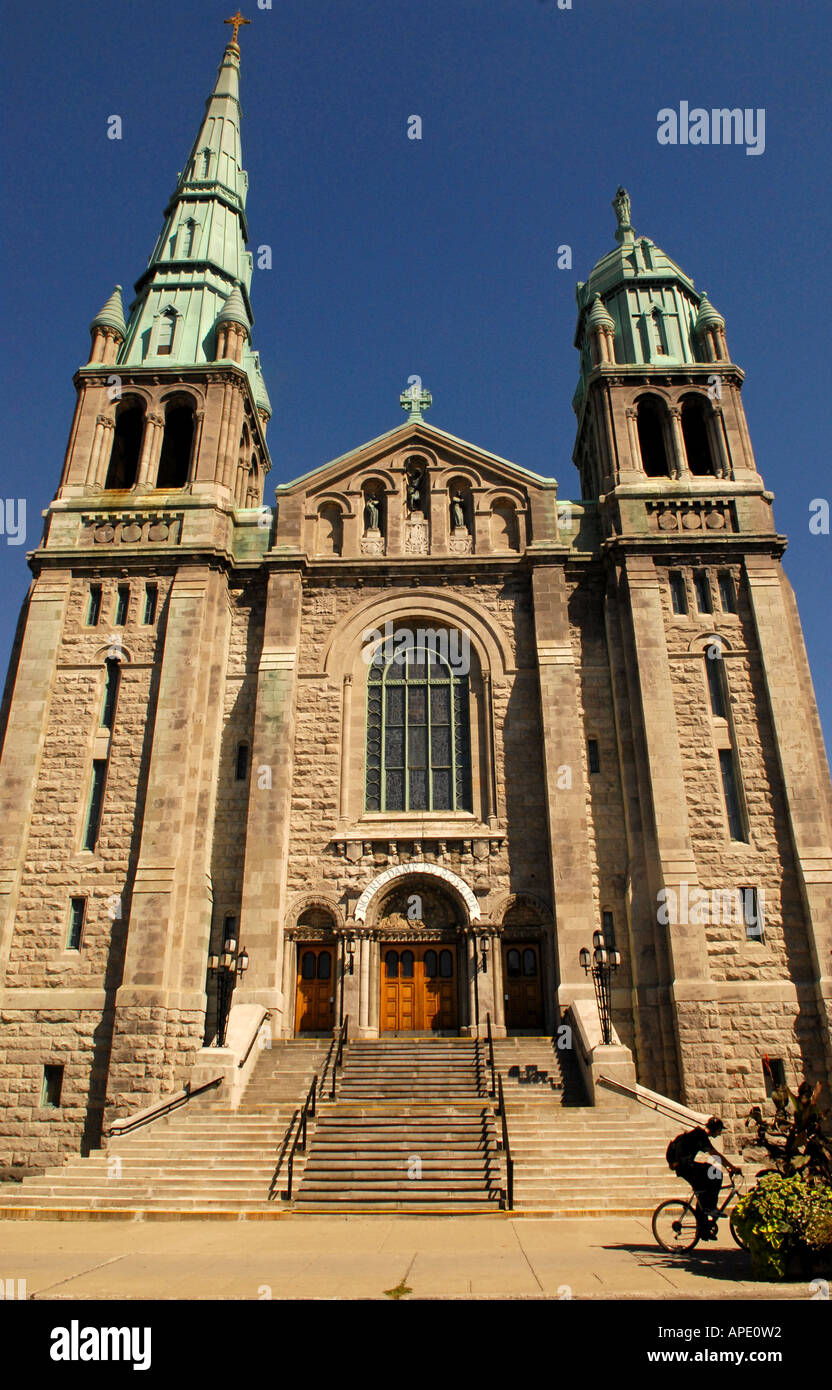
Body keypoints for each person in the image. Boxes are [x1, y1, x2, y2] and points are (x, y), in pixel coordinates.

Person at [666, 1116, 740, 1239]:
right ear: (715, 1129)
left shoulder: (699, 1134)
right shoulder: (701, 1135)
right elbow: (715, 1154)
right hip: (685, 1167)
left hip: (685, 1166)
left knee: (703, 1195)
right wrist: (732, 1167)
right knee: (716, 1174)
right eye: (719, 1131)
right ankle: (711, 1208)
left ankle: (703, 1230)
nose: (720, 1133)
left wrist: (729, 1167)